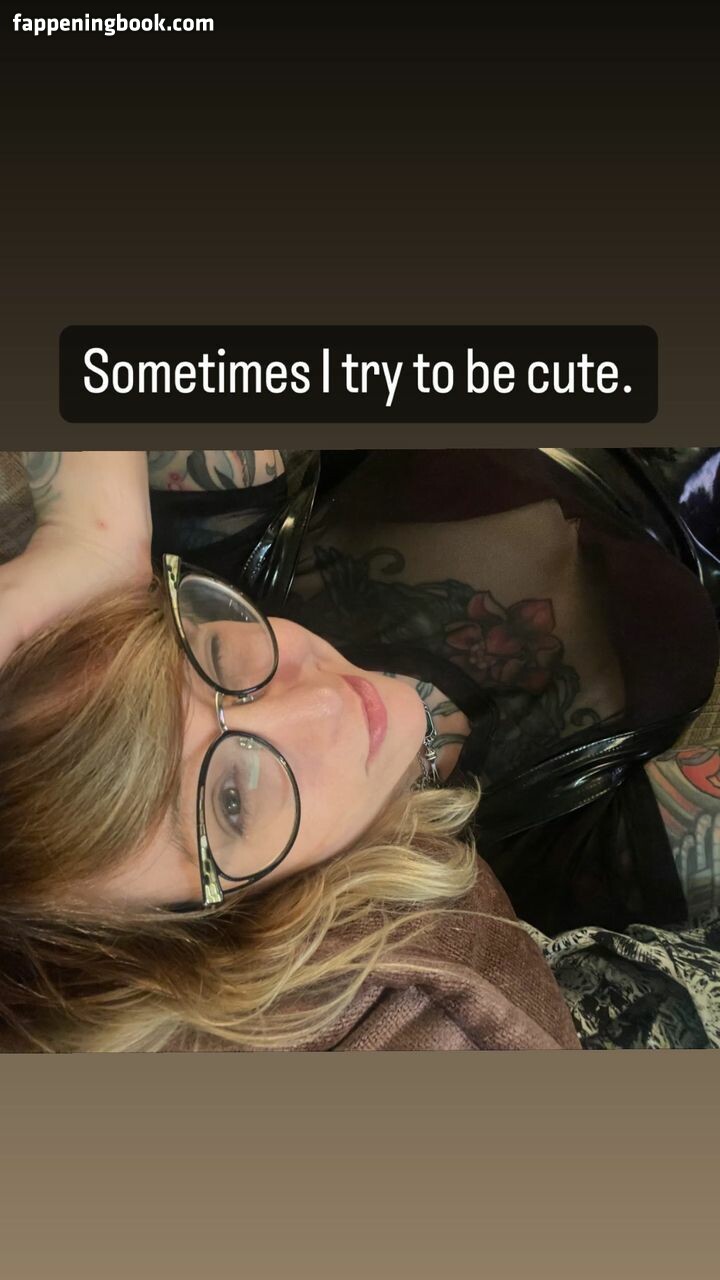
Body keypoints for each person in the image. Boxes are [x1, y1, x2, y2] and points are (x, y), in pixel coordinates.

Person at [0, 450, 719, 1053]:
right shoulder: (538, 886)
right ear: (231, 927)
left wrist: (92, 538)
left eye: (212, 656)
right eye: (233, 800)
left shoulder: (219, 564)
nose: (320, 704)